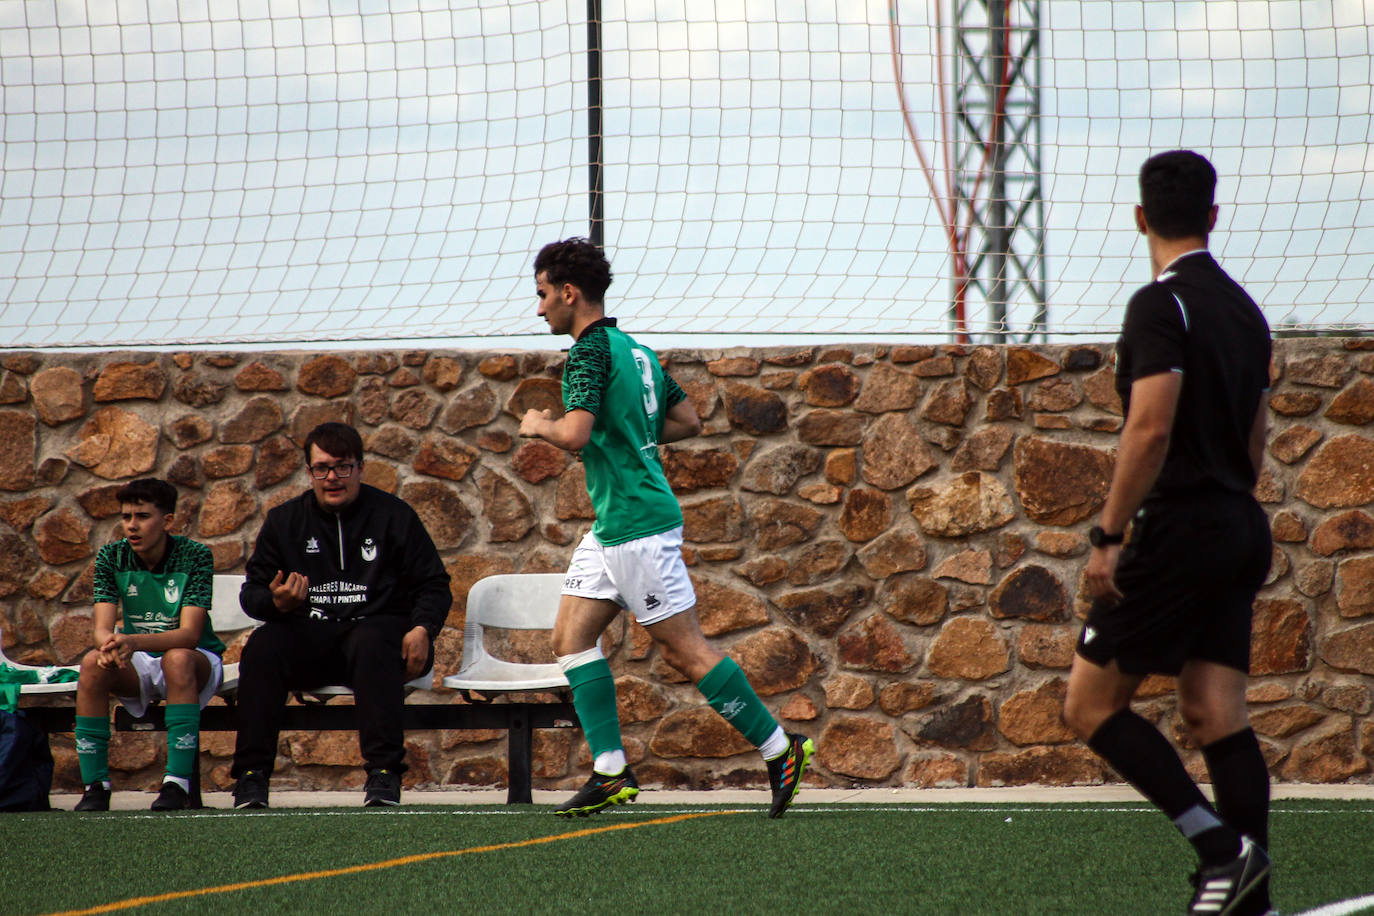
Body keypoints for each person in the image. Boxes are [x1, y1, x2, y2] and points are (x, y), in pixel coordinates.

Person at [520, 237, 813, 819]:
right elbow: (687, 420)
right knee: (570, 641)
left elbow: (575, 434)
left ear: (569, 293)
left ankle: (782, 749)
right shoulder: (636, 350)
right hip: (614, 527)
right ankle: (610, 771)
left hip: (636, 525)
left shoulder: (587, 355)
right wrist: (632, 437)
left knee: (685, 652)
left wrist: (540, 425)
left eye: (542, 294)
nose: (539, 308)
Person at [1062, 151, 1274, 916]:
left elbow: (1148, 429)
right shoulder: (1247, 311)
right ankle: (1252, 901)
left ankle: (1222, 852)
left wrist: (1108, 534)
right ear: (1214, 217)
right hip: (1239, 525)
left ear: (1141, 217)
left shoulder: (1161, 305)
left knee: (1088, 708)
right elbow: (1254, 445)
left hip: (1179, 529)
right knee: (1217, 713)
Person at [230, 422, 451, 809]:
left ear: (361, 469)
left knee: (371, 639)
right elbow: (253, 594)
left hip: (376, 637)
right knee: (263, 645)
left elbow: (433, 584)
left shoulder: (394, 516)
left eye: (343, 466)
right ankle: (251, 777)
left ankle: (383, 776)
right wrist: (277, 603)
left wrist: (423, 629)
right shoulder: (285, 521)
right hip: (309, 636)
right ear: (310, 472)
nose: (332, 477)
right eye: (322, 468)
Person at [74, 478, 223, 812]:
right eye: (126, 516)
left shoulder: (196, 555)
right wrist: (110, 646)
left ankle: (177, 785)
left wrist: (132, 641)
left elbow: (189, 636)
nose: (131, 525)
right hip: (138, 657)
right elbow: (100, 628)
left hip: (195, 659)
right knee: (90, 664)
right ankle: (95, 786)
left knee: (177, 659)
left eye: (142, 516)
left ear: (167, 521)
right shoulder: (111, 556)